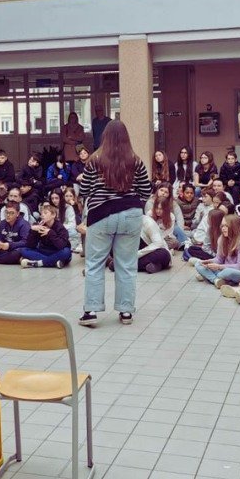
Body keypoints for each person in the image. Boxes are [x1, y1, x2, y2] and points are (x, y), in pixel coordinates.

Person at [79, 119, 151, 327]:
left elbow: (84, 191)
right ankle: (126, 311)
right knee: (126, 265)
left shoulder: (94, 160)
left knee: (94, 264)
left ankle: (91, 311)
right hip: (131, 214)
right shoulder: (135, 160)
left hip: (101, 215)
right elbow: (146, 190)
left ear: (105, 137)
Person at [195, 212, 240, 287]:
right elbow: (219, 259)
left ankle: (209, 277)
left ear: (234, 227)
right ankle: (216, 280)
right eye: (222, 226)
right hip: (224, 268)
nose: (223, 228)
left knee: (227, 272)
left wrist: (219, 267)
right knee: (198, 264)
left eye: (226, 226)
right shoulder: (221, 239)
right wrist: (209, 262)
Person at [20, 203, 72, 269]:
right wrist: (33, 231)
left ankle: (38, 263)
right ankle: (54, 262)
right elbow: (30, 245)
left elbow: (61, 245)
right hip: (44, 251)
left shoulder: (60, 227)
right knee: (24, 250)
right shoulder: (40, 225)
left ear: (53, 215)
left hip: (57, 251)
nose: (42, 215)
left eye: (45, 213)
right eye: (41, 214)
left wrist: (50, 233)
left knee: (66, 252)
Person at [0, 201, 30, 265]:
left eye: (11, 213)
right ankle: (15, 260)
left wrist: (10, 245)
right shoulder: (2, 223)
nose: (8, 215)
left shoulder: (24, 224)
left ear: (17, 213)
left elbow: (25, 242)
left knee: (18, 252)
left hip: (15, 248)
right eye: (6, 212)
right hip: (4, 249)